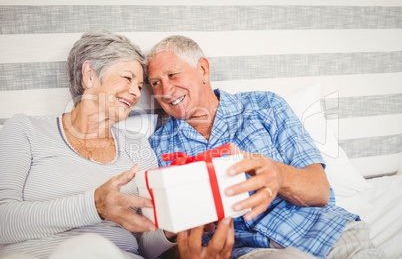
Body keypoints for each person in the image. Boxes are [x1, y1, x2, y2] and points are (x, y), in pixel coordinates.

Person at [147, 35, 386, 258]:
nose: (165, 91)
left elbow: (320, 191)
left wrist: (278, 175)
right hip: (245, 250)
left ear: (203, 70)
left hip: (326, 231)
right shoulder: (157, 146)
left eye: (173, 75)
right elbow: (158, 242)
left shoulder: (266, 105)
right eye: (155, 83)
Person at [0, 30, 180, 259]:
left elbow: (145, 246)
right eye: (127, 78)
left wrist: (171, 228)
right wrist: (95, 206)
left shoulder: (139, 147)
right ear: (89, 75)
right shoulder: (25, 130)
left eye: (140, 85)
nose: (135, 92)